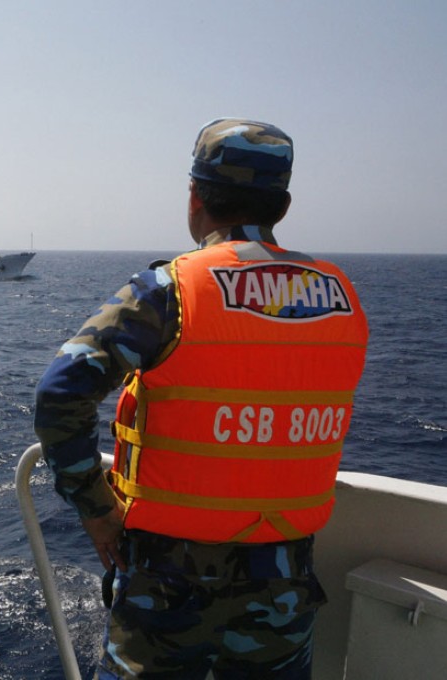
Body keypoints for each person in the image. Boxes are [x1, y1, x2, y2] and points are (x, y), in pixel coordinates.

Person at [34, 119, 369, 679]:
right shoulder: (342, 293)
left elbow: (59, 393)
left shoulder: (169, 290)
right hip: (284, 582)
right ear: (283, 206)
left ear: (195, 197)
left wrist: (97, 511)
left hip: (167, 582)